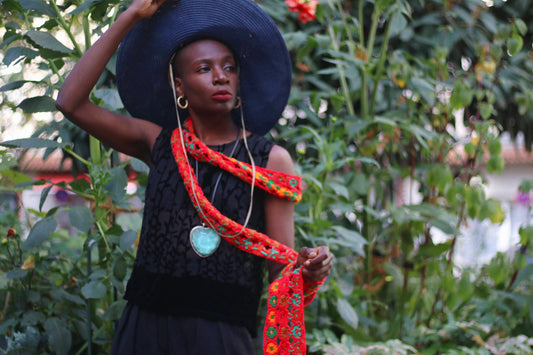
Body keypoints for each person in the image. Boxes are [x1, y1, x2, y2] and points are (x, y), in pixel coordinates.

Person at [55, 0, 333, 353]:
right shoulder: (160, 144)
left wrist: (308, 271)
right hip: (144, 329)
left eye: (229, 67)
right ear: (179, 87)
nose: (221, 76)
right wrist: (131, 17)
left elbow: (281, 272)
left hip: (221, 335)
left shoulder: (270, 161)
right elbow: (70, 102)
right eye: (204, 68)